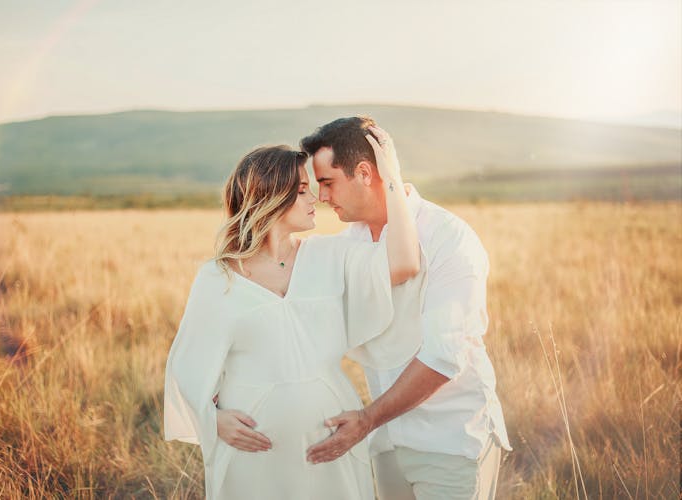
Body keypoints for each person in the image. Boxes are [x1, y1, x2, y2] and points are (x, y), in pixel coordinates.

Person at [164, 130, 424, 499]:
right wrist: (212, 420)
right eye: (302, 190)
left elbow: (404, 263)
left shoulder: (330, 255)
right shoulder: (217, 277)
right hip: (252, 453)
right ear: (270, 197)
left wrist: (392, 176)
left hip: (330, 438)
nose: (315, 198)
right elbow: (186, 366)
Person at [299, 116, 511, 500]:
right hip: (385, 444)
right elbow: (306, 323)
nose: (322, 197)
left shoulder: (449, 238)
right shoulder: (350, 243)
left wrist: (366, 419)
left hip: (451, 441)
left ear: (364, 172)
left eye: (328, 183)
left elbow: (445, 356)